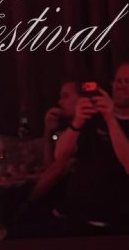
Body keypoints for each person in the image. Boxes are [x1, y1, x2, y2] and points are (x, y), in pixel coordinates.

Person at [54, 64, 129, 231]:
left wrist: (111, 120)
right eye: (119, 81)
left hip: (118, 222)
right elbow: (60, 155)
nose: (121, 86)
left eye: (128, 81)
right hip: (79, 217)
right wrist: (77, 122)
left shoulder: (108, 118)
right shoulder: (93, 118)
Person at [41, 80, 80, 168]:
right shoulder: (64, 129)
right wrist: (48, 133)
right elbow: (49, 168)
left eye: (65, 96)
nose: (60, 102)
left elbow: (57, 169)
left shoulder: (91, 130)